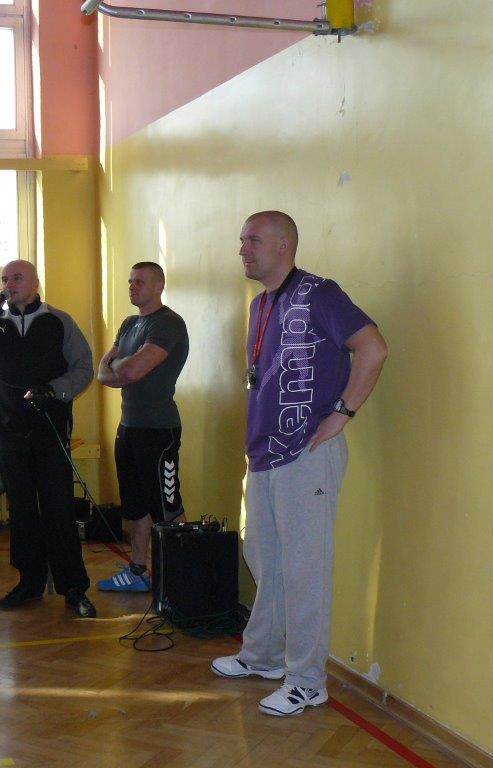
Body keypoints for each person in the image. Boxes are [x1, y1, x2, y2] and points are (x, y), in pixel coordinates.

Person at [211, 211, 388, 716]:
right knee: (265, 558)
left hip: (307, 454)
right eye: (241, 240)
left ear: (283, 244)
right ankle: (264, 654)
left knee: (305, 569)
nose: (243, 249)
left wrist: (342, 414)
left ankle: (307, 681)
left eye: (253, 240)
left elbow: (373, 349)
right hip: (265, 453)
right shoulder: (261, 304)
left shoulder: (319, 293)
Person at [0, 260, 97, 618]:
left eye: (17, 278)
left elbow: (83, 368)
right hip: (9, 432)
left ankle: (74, 588)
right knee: (21, 510)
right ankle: (29, 582)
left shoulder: (59, 321)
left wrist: (54, 390)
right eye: (5, 279)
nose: (10, 284)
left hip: (50, 430)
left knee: (58, 508)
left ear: (35, 282)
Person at [96, 262, 188, 591]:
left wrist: (119, 366)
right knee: (136, 505)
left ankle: (181, 581)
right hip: (129, 427)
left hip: (159, 431)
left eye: (140, 282)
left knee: (166, 506)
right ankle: (137, 572)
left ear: (159, 286)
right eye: (130, 281)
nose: (132, 287)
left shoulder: (168, 323)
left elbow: (131, 371)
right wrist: (120, 367)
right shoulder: (129, 324)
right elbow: (102, 372)